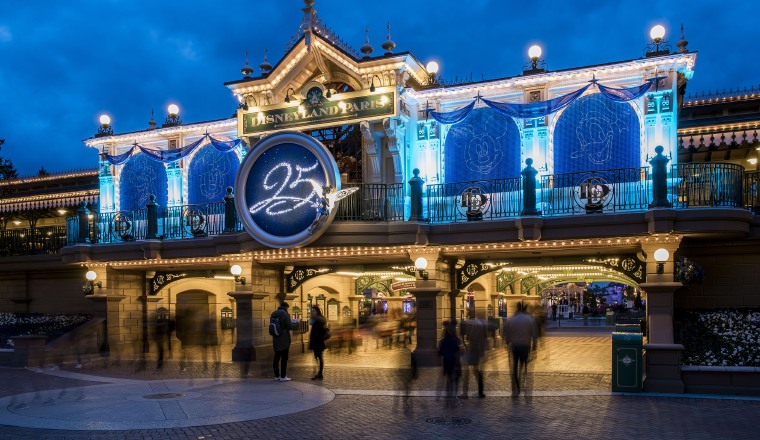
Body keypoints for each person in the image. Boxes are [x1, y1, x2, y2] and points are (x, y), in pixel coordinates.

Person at [505, 302, 537, 397]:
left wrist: (507, 343)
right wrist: (534, 348)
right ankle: (524, 384)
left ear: (517, 308)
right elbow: (534, 335)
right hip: (525, 346)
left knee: (514, 368)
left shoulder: (511, 319)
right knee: (524, 367)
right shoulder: (529, 319)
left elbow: (507, 335)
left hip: (514, 346)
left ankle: (516, 389)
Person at [460, 312, 488, 398]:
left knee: (466, 371)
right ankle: (480, 391)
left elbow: (463, 336)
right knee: (477, 371)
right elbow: (484, 337)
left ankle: (465, 393)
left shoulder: (466, 323)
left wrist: (464, 344)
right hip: (477, 350)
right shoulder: (479, 324)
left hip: (470, 349)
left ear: (468, 316)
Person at [271, 301, 299, 382]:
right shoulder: (285, 314)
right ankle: (283, 376)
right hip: (284, 339)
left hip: (276, 338)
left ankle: (276, 375)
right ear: (286, 307)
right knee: (284, 358)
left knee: (276, 357)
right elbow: (290, 326)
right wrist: (297, 323)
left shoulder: (273, 313)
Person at [438, 321, 461, 407]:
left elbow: (440, 353)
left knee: (449, 380)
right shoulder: (455, 340)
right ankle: (453, 397)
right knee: (454, 380)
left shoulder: (443, 341)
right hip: (454, 362)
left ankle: (448, 397)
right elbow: (458, 352)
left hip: (446, 362)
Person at [308, 306, 327, 380]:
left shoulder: (318, 321)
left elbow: (319, 332)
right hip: (316, 342)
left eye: (314, 311)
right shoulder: (315, 320)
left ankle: (319, 373)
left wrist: (316, 340)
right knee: (317, 357)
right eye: (312, 311)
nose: (312, 312)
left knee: (318, 358)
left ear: (317, 312)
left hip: (318, 342)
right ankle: (318, 373)